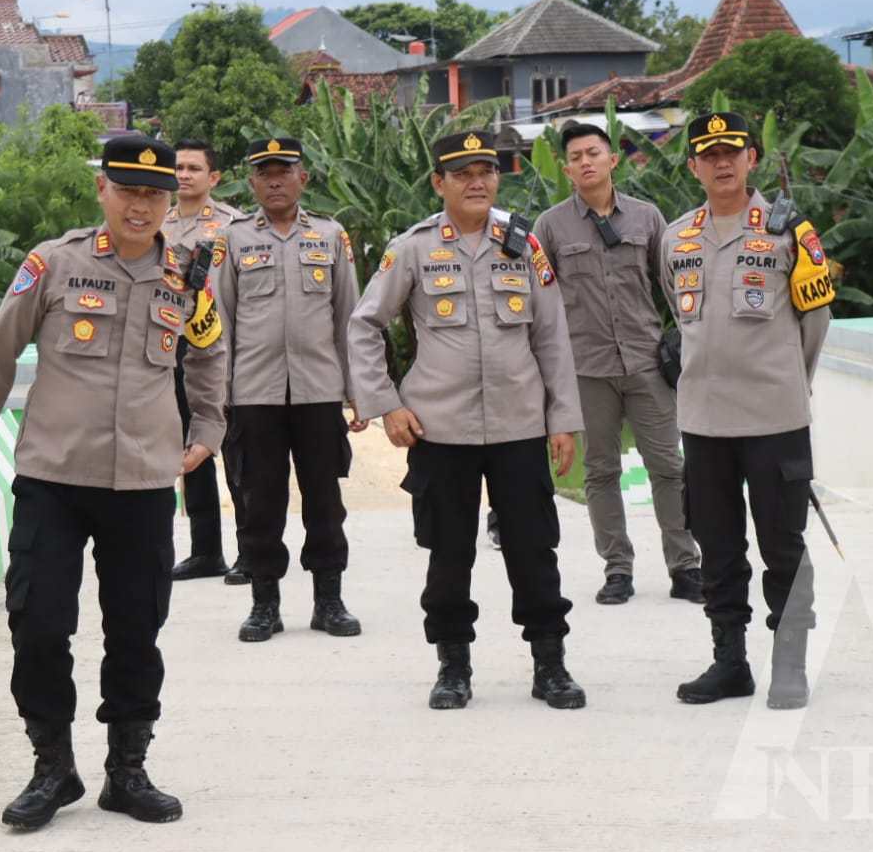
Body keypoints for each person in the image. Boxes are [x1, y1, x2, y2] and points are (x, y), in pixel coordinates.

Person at [0, 134, 226, 829]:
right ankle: (52, 767)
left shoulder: (187, 274)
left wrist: (208, 431)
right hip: (52, 478)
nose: (140, 206)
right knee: (38, 626)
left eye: (154, 194)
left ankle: (126, 771)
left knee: (135, 631)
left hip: (141, 484)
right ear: (102, 190)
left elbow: (208, 354)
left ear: (169, 201)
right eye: (127, 190)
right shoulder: (54, 263)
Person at [347, 129, 587, 711]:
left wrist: (563, 419)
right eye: (461, 173)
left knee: (534, 550)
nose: (476, 181)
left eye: (486, 170)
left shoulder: (523, 245)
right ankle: (453, 665)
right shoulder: (412, 248)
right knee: (449, 553)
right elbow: (363, 325)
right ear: (439, 183)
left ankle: (550, 664)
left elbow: (552, 336)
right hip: (441, 430)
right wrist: (386, 405)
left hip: (520, 427)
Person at [658, 112, 833, 710]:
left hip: (774, 420)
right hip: (704, 419)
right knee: (719, 545)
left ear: (752, 157)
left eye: (732, 150)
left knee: (783, 544)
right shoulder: (676, 237)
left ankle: (790, 664)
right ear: (694, 167)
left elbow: (815, 319)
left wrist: (785, 379)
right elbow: (683, 322)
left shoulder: (790, 231)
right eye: (708, 154)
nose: (721, 162)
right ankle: (729, 661)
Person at [531, 121, 703, 606]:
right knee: (600, 471)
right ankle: (617, 569)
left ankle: (685, 565)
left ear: (613, 160)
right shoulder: (550, 226)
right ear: (566, 169)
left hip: (648, 362)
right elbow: (541, 302)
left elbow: (672, 287)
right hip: (587, 369)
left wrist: (682, 345)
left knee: (668, 467)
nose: (586, 162)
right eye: (576, 156)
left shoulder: (648, 219)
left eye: (594, 152)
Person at [214, 136, 366, 642]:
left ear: (303, 177)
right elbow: (221, 321)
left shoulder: (331, 235)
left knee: (325, 499)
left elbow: (350, 316)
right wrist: (221, 394)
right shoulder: (232, 240)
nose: (275, 181)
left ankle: (329, 599)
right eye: (264, 173)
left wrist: (358, 389)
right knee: (261, 501)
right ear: (251, 182)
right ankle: (264, 603)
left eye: (285, 171)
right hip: (254, 394)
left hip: (319, 391)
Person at [163, 139, 248, 582]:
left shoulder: (234, 225)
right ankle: (205, 550)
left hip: (222, 349)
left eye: (194, 168)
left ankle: (251, 550)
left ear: (213, 178)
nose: (184, 175)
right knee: (190, 449)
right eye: (178, 167)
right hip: (171, 349)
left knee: (234, 448)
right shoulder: (157, 220)